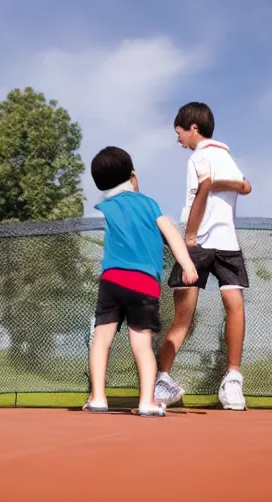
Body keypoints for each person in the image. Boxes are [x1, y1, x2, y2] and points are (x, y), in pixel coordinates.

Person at [83, 146, 198, 417]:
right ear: (133, 177)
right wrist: (187, 265)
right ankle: (147, 401)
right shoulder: (149, 203)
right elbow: (171, 233)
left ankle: (98, 397)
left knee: (101, 339)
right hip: (145, 283)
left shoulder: (106, 205)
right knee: (142, 344)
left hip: (112, 279)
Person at [154, 102, 252, 411]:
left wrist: (191, 236)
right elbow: (244, 186)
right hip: (215, 245)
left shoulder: (202, 156)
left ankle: (231, 380)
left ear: (193, 127)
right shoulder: (224, 154)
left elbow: (208, 192)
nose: (178, 139)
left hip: (208, 244)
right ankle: (162, 380)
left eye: (179, 132)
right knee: (207, 311)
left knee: (188, 316)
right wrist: (216, 185)